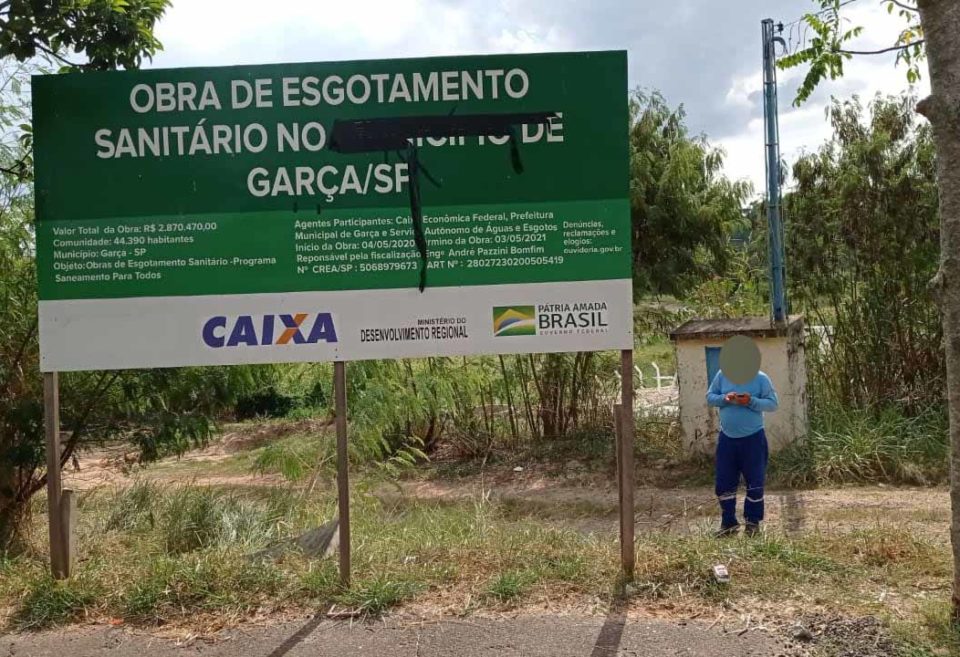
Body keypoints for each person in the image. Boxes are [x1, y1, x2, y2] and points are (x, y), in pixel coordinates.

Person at [706, 365, 779, 537]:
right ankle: (728, 524)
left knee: (755, 483)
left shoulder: (761, 378)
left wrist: (751, 401)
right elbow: (710, 397)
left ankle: (752, 524)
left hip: (753, 440)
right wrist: (725, 398)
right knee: (723, 483)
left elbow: (773, 403)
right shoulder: (722, 375)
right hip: (727, 440)